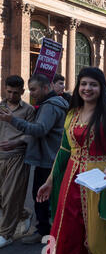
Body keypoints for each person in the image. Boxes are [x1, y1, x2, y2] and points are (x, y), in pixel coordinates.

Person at [36, 67, 106, 254]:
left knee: (96, 241)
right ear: (78, 87)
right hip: (71, 183)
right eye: (83, 84)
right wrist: (49, 181)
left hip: (100, 182)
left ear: (101, 88)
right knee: (68, 235)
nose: (87, 88)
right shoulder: (72, 114)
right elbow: (64, 150)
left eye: (93, 84)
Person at [0, 74, 68, 244]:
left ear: (45, 88)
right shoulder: (46, 105)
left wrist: (13, 124)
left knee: (38, 196)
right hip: (46, 156)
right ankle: (39, 225)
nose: (32, 93)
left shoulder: (44, 107)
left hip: (38, 157)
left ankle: (36, 233)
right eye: (30, 90)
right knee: (41, 196)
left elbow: (38, 130)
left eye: (33, 89)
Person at [0, 76, 35, 248]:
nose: (12, 95)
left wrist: (17, 142)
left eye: (16, 92)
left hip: (18, 156)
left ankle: (6, 234)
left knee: (9, 196)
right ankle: (23, 214)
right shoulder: (0, 107)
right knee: (2, 197)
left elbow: (31, 133)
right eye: (9, 92)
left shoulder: (28, 110)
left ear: (22, 91)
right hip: (0, 156)